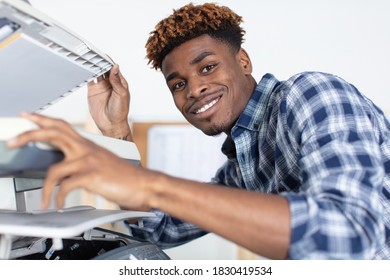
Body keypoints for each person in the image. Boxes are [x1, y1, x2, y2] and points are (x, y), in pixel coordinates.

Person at [7, 2, 390, 259]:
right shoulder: (245, 160)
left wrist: (151, 184)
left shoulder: (311, 93)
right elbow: (160, 230)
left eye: (207, 68)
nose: (194, 90)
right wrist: (118, 134)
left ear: (243, 61)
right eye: (177, 84)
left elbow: (351, 234)